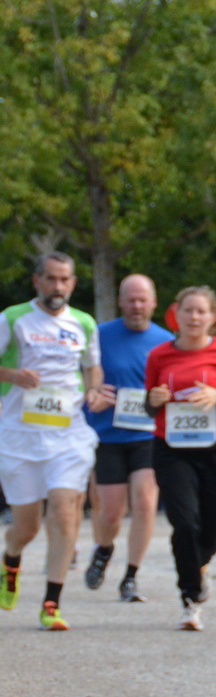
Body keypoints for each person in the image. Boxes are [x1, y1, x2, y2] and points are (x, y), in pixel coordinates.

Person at [0, 252, 111, 630]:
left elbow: (93, 368)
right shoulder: (13, 318)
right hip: (19, 436)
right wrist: (12, 375)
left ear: (73, 283)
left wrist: (95, 391)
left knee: (65, 514)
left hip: (68, 435)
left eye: (64, 280)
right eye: (50, 279)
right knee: (26, 527)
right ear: (37, 281)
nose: (57, 287)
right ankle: (11, 559)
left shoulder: (83, 322)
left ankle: (51, 604)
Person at [145, 286, 216, 631]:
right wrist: (155, 399)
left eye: (201, 311)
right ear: (175, 314)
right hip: (171, 449)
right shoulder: (159, 355)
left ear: (212, 317)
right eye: (188, 311)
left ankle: (198, 567)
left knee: (212, 530)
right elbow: (148, 407)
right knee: (184, 522)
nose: (194, 317)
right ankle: (190, 598)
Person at [84, 274, 174, 602]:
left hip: (148, 436)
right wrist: (91, 393)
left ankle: (131, 577)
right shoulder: (99, 336)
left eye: (142, 300)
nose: (136, 306)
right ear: (121, 302)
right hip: (107, 435)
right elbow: (81, 378)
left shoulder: (166, 342)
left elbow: (174, 387)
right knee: (109, 513)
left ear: (153, 302)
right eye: (130, 300)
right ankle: (103, 549)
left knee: (146, 502)